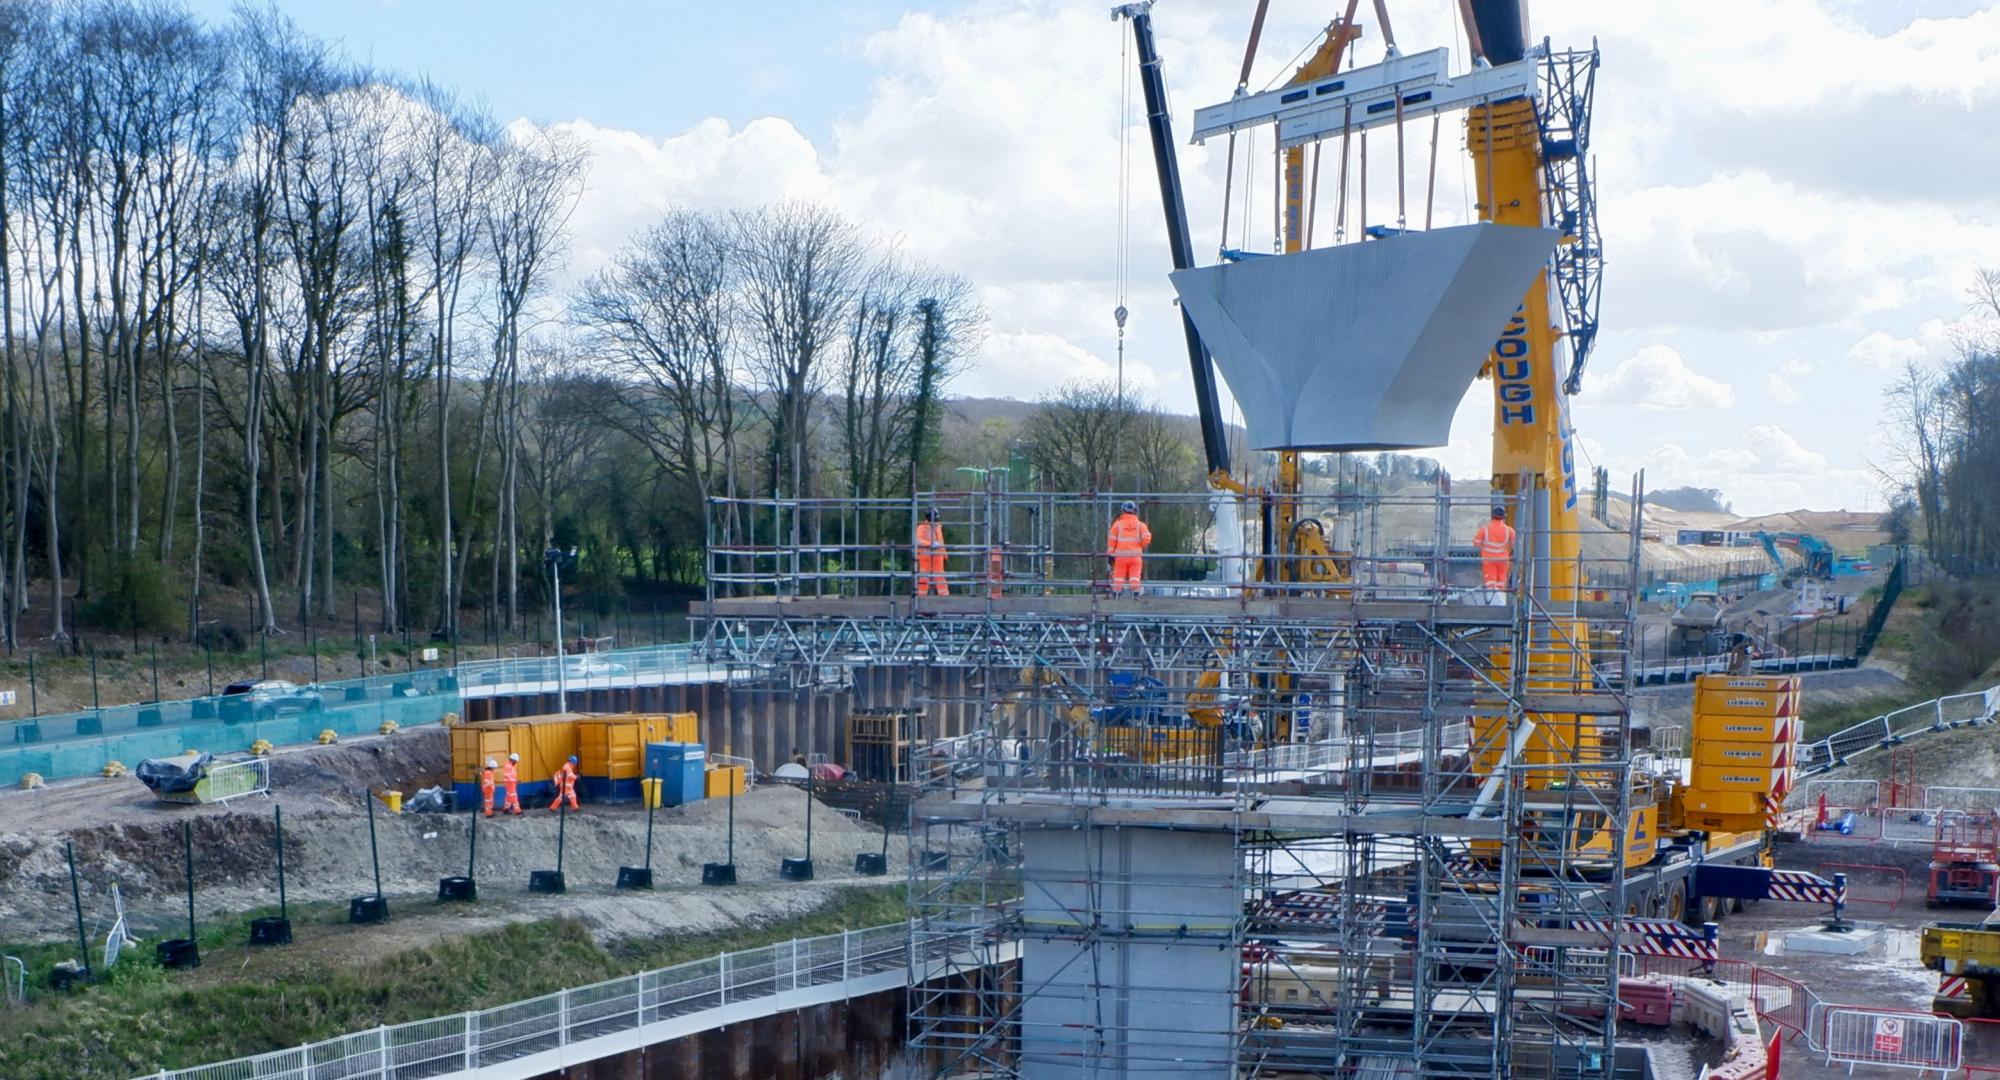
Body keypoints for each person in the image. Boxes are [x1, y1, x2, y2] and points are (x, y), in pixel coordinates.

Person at [1107, 501, 1153, 594]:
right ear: (1134, 511)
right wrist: (1140, 545)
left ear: (1123, 511)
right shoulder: (1140, 525)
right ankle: (1136, 593)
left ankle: (1117, 592)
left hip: (1120, 556)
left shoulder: (1118, 524)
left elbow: (1111, 540)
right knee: (1135, 576)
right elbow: (1147, 537)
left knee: (1119, 576)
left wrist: (1111, 554)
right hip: (1135, 555)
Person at [1474, 506, 1515, 591]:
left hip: (1489, 559)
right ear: (1504, 517)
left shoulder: (1484, 529)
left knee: (1490, 582)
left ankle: (1492, 600)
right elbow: (1516, 544)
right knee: (1501, 581)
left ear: (1492, 516)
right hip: (1503, 560)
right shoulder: (1509, 530)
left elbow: (1476, 543)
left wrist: (1484, 547)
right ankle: (1500, 598)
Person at [915, 508, 948, 596]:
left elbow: (941, 541)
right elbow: (918, 541)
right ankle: (921, 596)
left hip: (938, 557)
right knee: (924, 578)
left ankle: (944, 596)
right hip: (925, 557)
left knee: (940, 578)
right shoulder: (922, 527)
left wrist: (944, 554)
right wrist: (931, 544)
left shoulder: (938, 526)